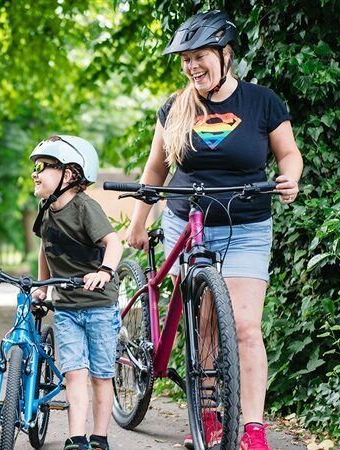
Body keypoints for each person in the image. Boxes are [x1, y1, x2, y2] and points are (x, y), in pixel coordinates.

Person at [125, 10, 303, 450]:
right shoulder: (174, 107)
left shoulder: (262, 102)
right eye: (185, 59)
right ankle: (207, 417)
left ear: (225, 55)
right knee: (204, 327)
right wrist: (138, 222)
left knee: (244, 328)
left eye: (199, 56)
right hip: (189, 221)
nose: (191, 66)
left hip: (245, 225)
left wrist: (290, 178)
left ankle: (254, 430)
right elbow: (155, 169)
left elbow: (288, 154)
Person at [29, 135, 123, 450]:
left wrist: (105, 272)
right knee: (74, 373)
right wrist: (43, 286)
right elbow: (46, 247)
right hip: (67, 308)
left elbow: (114, 242)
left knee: (100, 375)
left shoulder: (85, 208)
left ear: (69, 174)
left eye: (44, 167)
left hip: (99, 305)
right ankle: (76, 438)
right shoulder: (46, 209)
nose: (35, 173)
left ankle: (99, 438)